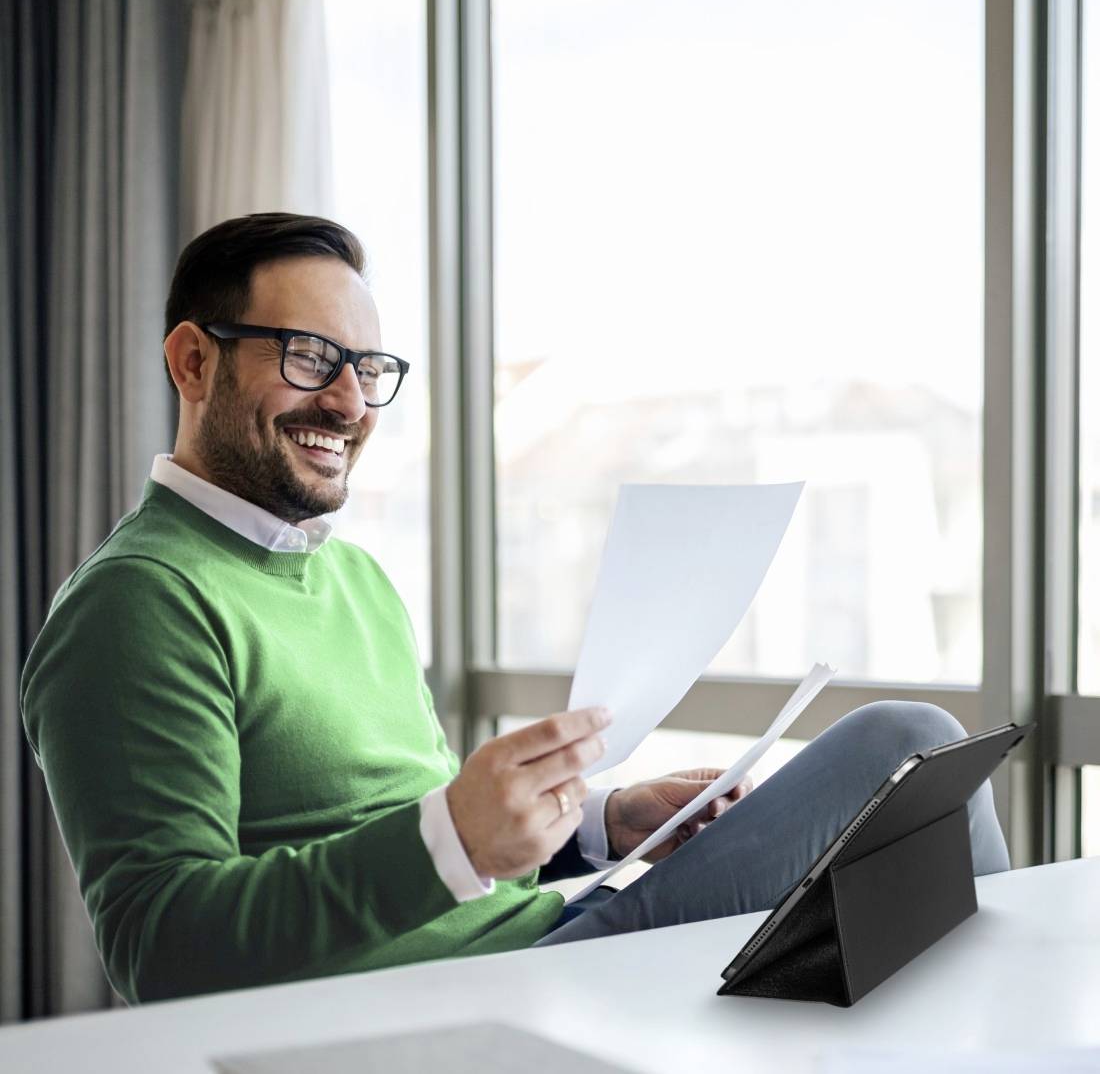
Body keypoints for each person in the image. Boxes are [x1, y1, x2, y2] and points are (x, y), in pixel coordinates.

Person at [20, 213, 1009, 1005]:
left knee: (912, 811)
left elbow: (430, 843)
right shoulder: (134, 604)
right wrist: (449, 835)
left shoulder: (353, 579)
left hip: (542, 941)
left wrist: (600, 826)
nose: (351, 404)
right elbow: (160, 947)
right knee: (904, 738)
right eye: (309, 356)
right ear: (193, 362)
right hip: (455, 1000)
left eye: (367, 369)